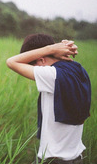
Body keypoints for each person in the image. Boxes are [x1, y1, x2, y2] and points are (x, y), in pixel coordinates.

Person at [6, 34, 91, 164]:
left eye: (33, 64)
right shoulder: (78, 70)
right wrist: (60, 50)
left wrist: (50, 49)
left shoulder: (52, 75)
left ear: (41, 60)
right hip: (75, 157)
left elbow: (11, 62)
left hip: (54, 159)